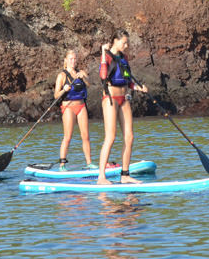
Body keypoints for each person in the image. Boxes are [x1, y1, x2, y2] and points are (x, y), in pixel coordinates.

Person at [97, 30, 148, 184]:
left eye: (127, 43)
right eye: (124, 42)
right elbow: (103, 76)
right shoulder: (106, 55)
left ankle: (125, 175)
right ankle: (101, 177)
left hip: (124, 98)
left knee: (129, 137)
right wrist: (103, 54)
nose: (126, 45)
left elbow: (128, 80)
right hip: (110, 98)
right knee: (111, 137)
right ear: (115, 40)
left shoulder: (124, 58)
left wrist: (138, 88)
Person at [54, 50, 97, 171]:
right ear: (66, 60)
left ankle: (89, 163)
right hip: (69, 107)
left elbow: (90, 85)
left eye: (75, 59)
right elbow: (56, 95)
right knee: (68, 137)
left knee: (86, 136)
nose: (73, 61)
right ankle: (62, 164)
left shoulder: (81, 72)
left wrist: (84, 78)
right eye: (71, 59)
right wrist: (64, 90)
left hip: (81, 106)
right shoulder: (62, 76)